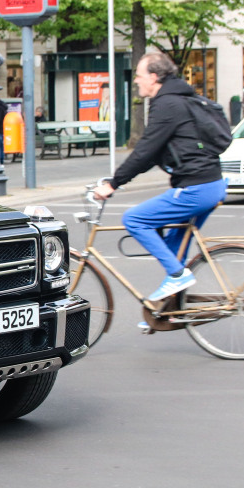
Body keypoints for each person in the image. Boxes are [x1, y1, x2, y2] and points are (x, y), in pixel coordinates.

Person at [91, 52, 227, 306]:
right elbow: (154, 154)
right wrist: (121, 178)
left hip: (196, 187)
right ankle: (167, 312)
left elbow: (146, 150)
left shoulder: (167, 105)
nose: (137, 82)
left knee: (134, 219)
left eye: (140, 76)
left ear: (154, 77)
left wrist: (113, 184)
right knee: (173, 250)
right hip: (211, 183)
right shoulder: (180, 99)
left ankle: (177, 276)